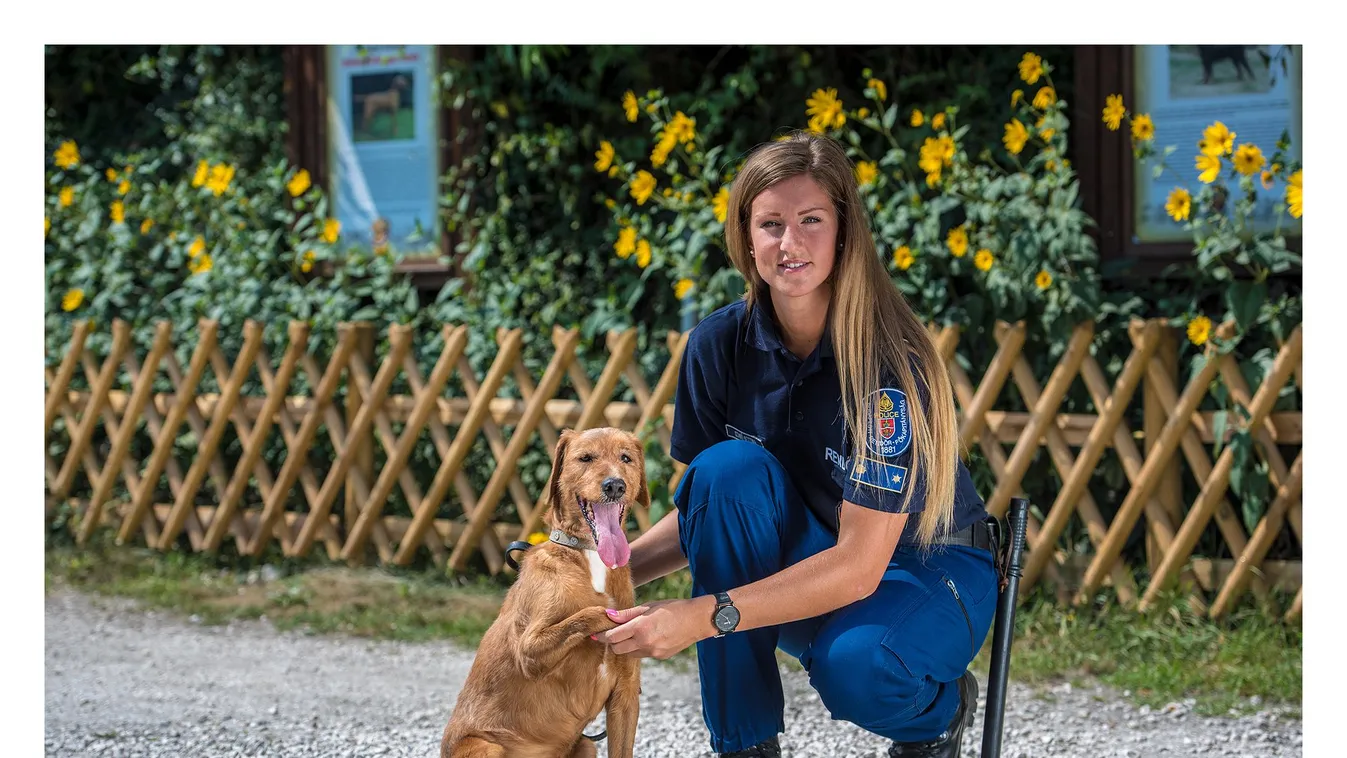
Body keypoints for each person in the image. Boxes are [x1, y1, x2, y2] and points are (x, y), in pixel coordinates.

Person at [594, 132, 1000, 758]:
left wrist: (701, 616)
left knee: (857, 667)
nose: (790, 243)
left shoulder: (890, 361)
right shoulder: (716, 346)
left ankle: (938, 716)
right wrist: (593, 578)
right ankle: (746, 746)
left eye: (811, 220)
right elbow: (711, 520)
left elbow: (861, 564)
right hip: (822, 554)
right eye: (771, 223)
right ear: (745, 236)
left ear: (844, 231)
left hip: (930, 566)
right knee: (726, 471)